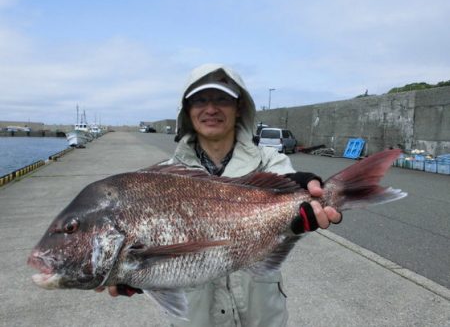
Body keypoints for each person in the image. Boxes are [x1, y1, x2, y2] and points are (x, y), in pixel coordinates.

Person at [97, 63, 341, 326]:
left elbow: (292, 213)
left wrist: (303, 197)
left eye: (222, 99)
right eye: (200, 100)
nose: (211, 109)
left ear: (239, 109)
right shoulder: (163, 179)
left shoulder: (270, 161)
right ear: (187, 111)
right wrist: (143, 276)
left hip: (263, 317)